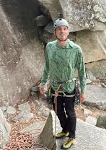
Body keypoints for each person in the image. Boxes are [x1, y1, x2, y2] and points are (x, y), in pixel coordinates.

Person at [39, 17, 86, 149]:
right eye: (59, 29)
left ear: (68, 31)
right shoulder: (50, 47)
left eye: (64, 29)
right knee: (57, 110)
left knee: (70, 111)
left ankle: (72, 137)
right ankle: (65, 130)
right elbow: (47, 66)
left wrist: (83, 90)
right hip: (54, 86)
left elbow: (82, 71)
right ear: (55, 32)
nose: (62, 31)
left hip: (69, 86)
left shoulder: (76, 49)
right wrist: (43, 83)